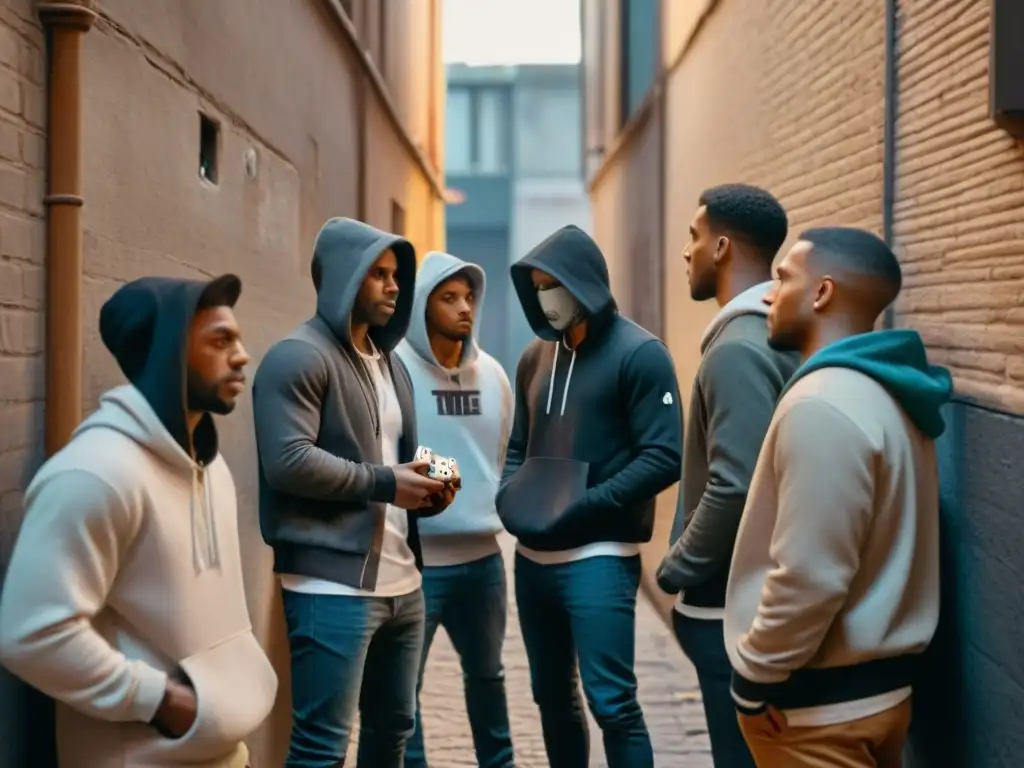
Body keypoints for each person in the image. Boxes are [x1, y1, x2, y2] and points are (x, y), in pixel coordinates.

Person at [0, 274, 278, 768]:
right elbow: (30, 635)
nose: (242, 355)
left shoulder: (209, 465)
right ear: (167, 353)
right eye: (220, 340)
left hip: (221, 751)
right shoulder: (95, 473)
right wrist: (165, 703)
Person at [725, 227, 952, 767]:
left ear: (822, 293)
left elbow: (810, 574)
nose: (766, 294)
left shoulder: (822, 404)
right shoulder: (887, 393)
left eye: (782, 278)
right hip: (877, 696)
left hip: (814, 714)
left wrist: (753, 679)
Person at [252, 218, 456, 768]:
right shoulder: (297, 357)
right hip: (330, 586)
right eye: (379, 275)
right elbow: (289, 462)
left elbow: (390, 453)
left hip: (402, 582)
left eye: (396, 276)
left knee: (392, 732)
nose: (394, 287)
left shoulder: (390, 364)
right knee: (322, 747)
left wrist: (434, 477)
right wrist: (389, 482)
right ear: (344, 278)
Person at [497, 225, 683, 768]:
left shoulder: (642, 355)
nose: (544, 297)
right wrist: (511, 493)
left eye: (552, 284)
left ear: (585, 282)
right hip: (531, 562)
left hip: (598, 561)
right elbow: (518, 444)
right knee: (551, 698)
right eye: (536, 288)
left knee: (614, 704)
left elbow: (664, 456)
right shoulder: (535, 357)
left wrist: (584, 506)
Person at [654, 183, 797, 767]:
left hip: (730, 609)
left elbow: (734, 484)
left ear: (722, 247)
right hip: (755, 601)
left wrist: (676, 567)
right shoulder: (772, 332)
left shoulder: (737, 347)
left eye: (693, 237)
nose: (685, 252)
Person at [395, 251, 515, 768]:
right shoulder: (393, 369)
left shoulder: (492, 375)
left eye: (469, 297)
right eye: (449, 298)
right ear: (423, 305)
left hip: (484, 559)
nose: (464, 308)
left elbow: (501, 452)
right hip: (419, 562)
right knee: (406, 689)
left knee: (488, 676)